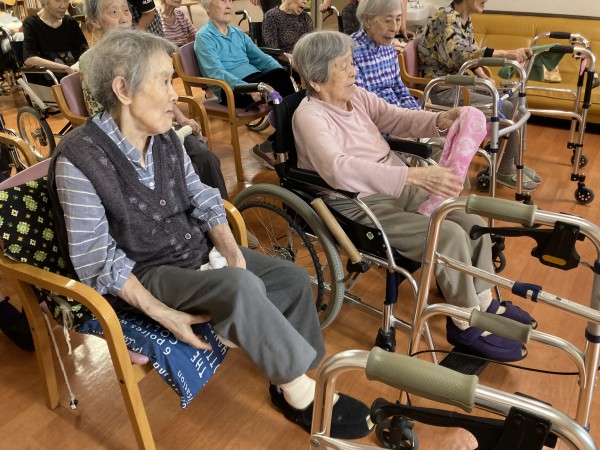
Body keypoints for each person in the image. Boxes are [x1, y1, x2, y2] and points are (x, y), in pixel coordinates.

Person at [48, 28, 371, 439]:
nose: (175, 95)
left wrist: (234, 256)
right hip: (146, 272)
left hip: (195, 251)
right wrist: (163, 313)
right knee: (240, 288)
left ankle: (290, 378)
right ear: (123, 90)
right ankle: (302, 396)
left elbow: (201, 196)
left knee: (290, 279)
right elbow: (97, 259)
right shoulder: (78, 160)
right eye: (165, 81)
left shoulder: (164, 136)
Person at [292, 30, 536, 362]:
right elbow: (338, 169)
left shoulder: (356, 97)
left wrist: (440, 119)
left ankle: (482, 303)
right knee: (446, 235)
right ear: (316, 81)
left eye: (351, 62)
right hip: (359, 202)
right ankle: (464, 323)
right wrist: (414, 175)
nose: (353, 71)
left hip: (397, 184)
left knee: (471, 222)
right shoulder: (309, 117)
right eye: (343, 66)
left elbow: (398, 118)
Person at [83, 0, 228, 199]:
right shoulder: (92, 61)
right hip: (133, 138)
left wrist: (182, 119)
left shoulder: (143, 50)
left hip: (164, 126)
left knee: (207, 159)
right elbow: (103, 116)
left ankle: (224, 214)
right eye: (114, 12)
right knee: (183, 172)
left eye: (126, 10)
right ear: (95, 21)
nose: (124, 18)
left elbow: (162, 93)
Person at [417, 0, 540, 191]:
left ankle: (514, 161)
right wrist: (507, 54)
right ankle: (503, 169)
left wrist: (484, 77)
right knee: (507, 107)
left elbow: (471, 53)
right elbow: (460, 54)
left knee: (515, 98)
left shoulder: (464, 19)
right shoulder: (446, 17)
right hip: (442, 89)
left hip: (459, 83)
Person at [195, 0, 296, 170]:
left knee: (289, 89)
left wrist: (286, 75)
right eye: (222, 0)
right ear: (207, 6)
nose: (228, 5)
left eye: (230, 1)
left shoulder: (237, 33)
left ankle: (275, 144)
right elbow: (216, 72)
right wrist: (247, 89)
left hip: (254, 82)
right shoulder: (204, 37)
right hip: (232, 90)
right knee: (288, 92)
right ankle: (283, 145)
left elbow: (261, 58)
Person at [22, 0, 88, 83]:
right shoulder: (31, 23)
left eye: (66, 0)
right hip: (52, 83)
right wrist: (65, 68)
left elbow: (85, 51)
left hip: (77, 79)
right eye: (58, 0)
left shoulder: (71, 22)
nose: (63, 6)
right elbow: (29, 59)